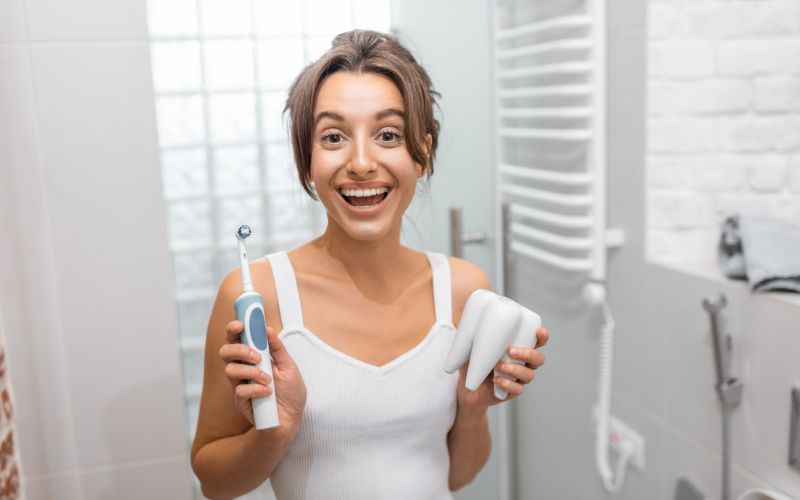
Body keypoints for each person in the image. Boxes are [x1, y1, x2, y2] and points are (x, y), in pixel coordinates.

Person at [190, 29, 549, 500]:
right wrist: (276, 430)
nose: (361, 163)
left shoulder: (464, 289)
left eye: (388, 135)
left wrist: (472, 406)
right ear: (307, 162)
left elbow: (458, 476)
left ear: (423, 154)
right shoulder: (256, 294)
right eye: (334, 136)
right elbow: (214, 483)